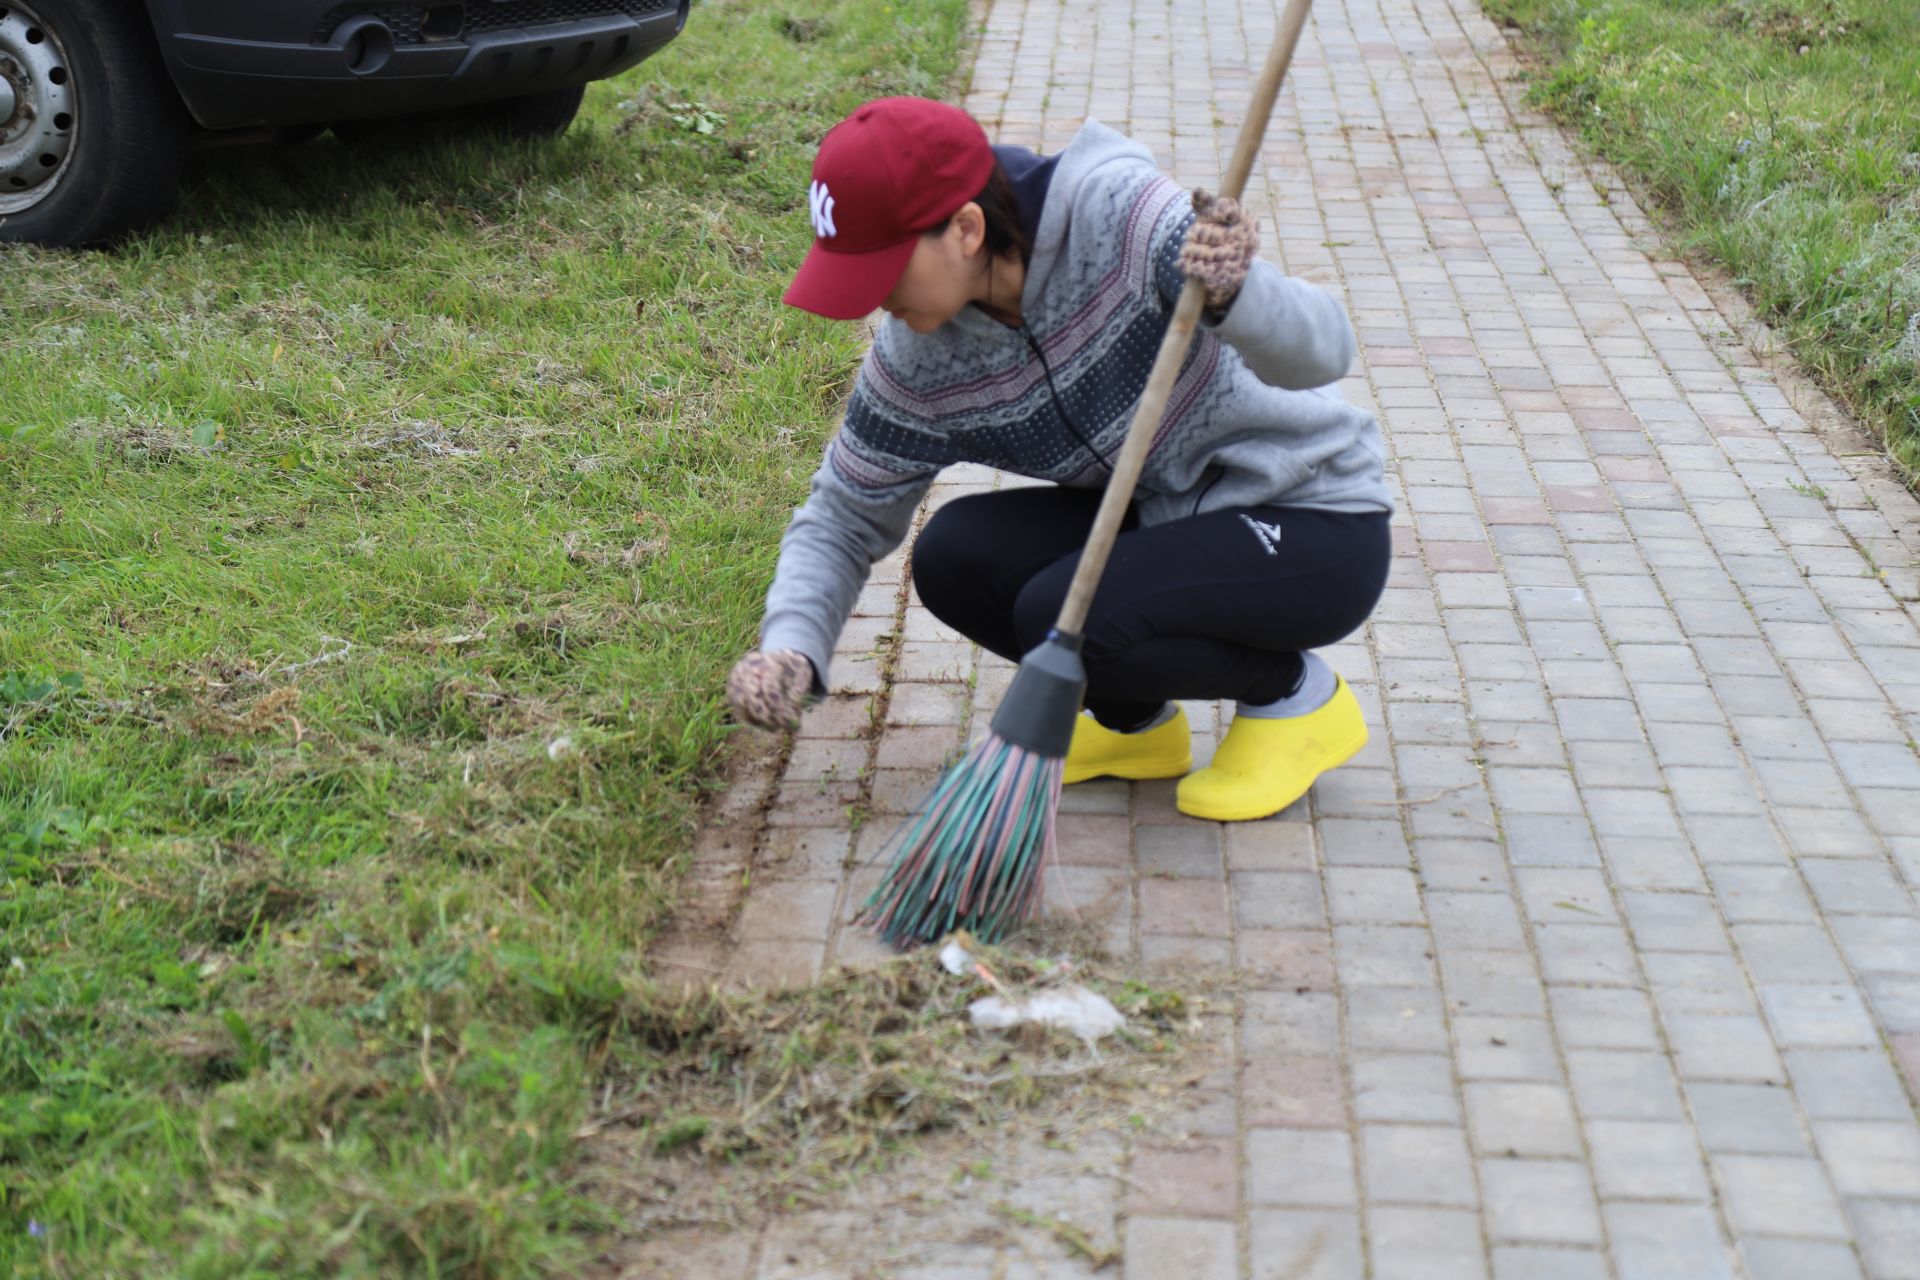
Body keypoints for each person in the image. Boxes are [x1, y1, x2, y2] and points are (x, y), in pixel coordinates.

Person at [725, 96, 1392, 822]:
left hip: (1311, 516)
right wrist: (791, 647)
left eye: (884, 267)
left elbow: (1327, 351)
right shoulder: (917, 361)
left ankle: (1295, 696)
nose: (872, 300)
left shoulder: (1125, 219)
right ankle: (1135, 726)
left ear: (966, 228)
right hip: (1165, 518)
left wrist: (1241, 291)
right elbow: (843, 516)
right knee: (954, 557)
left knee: (1059, 610)